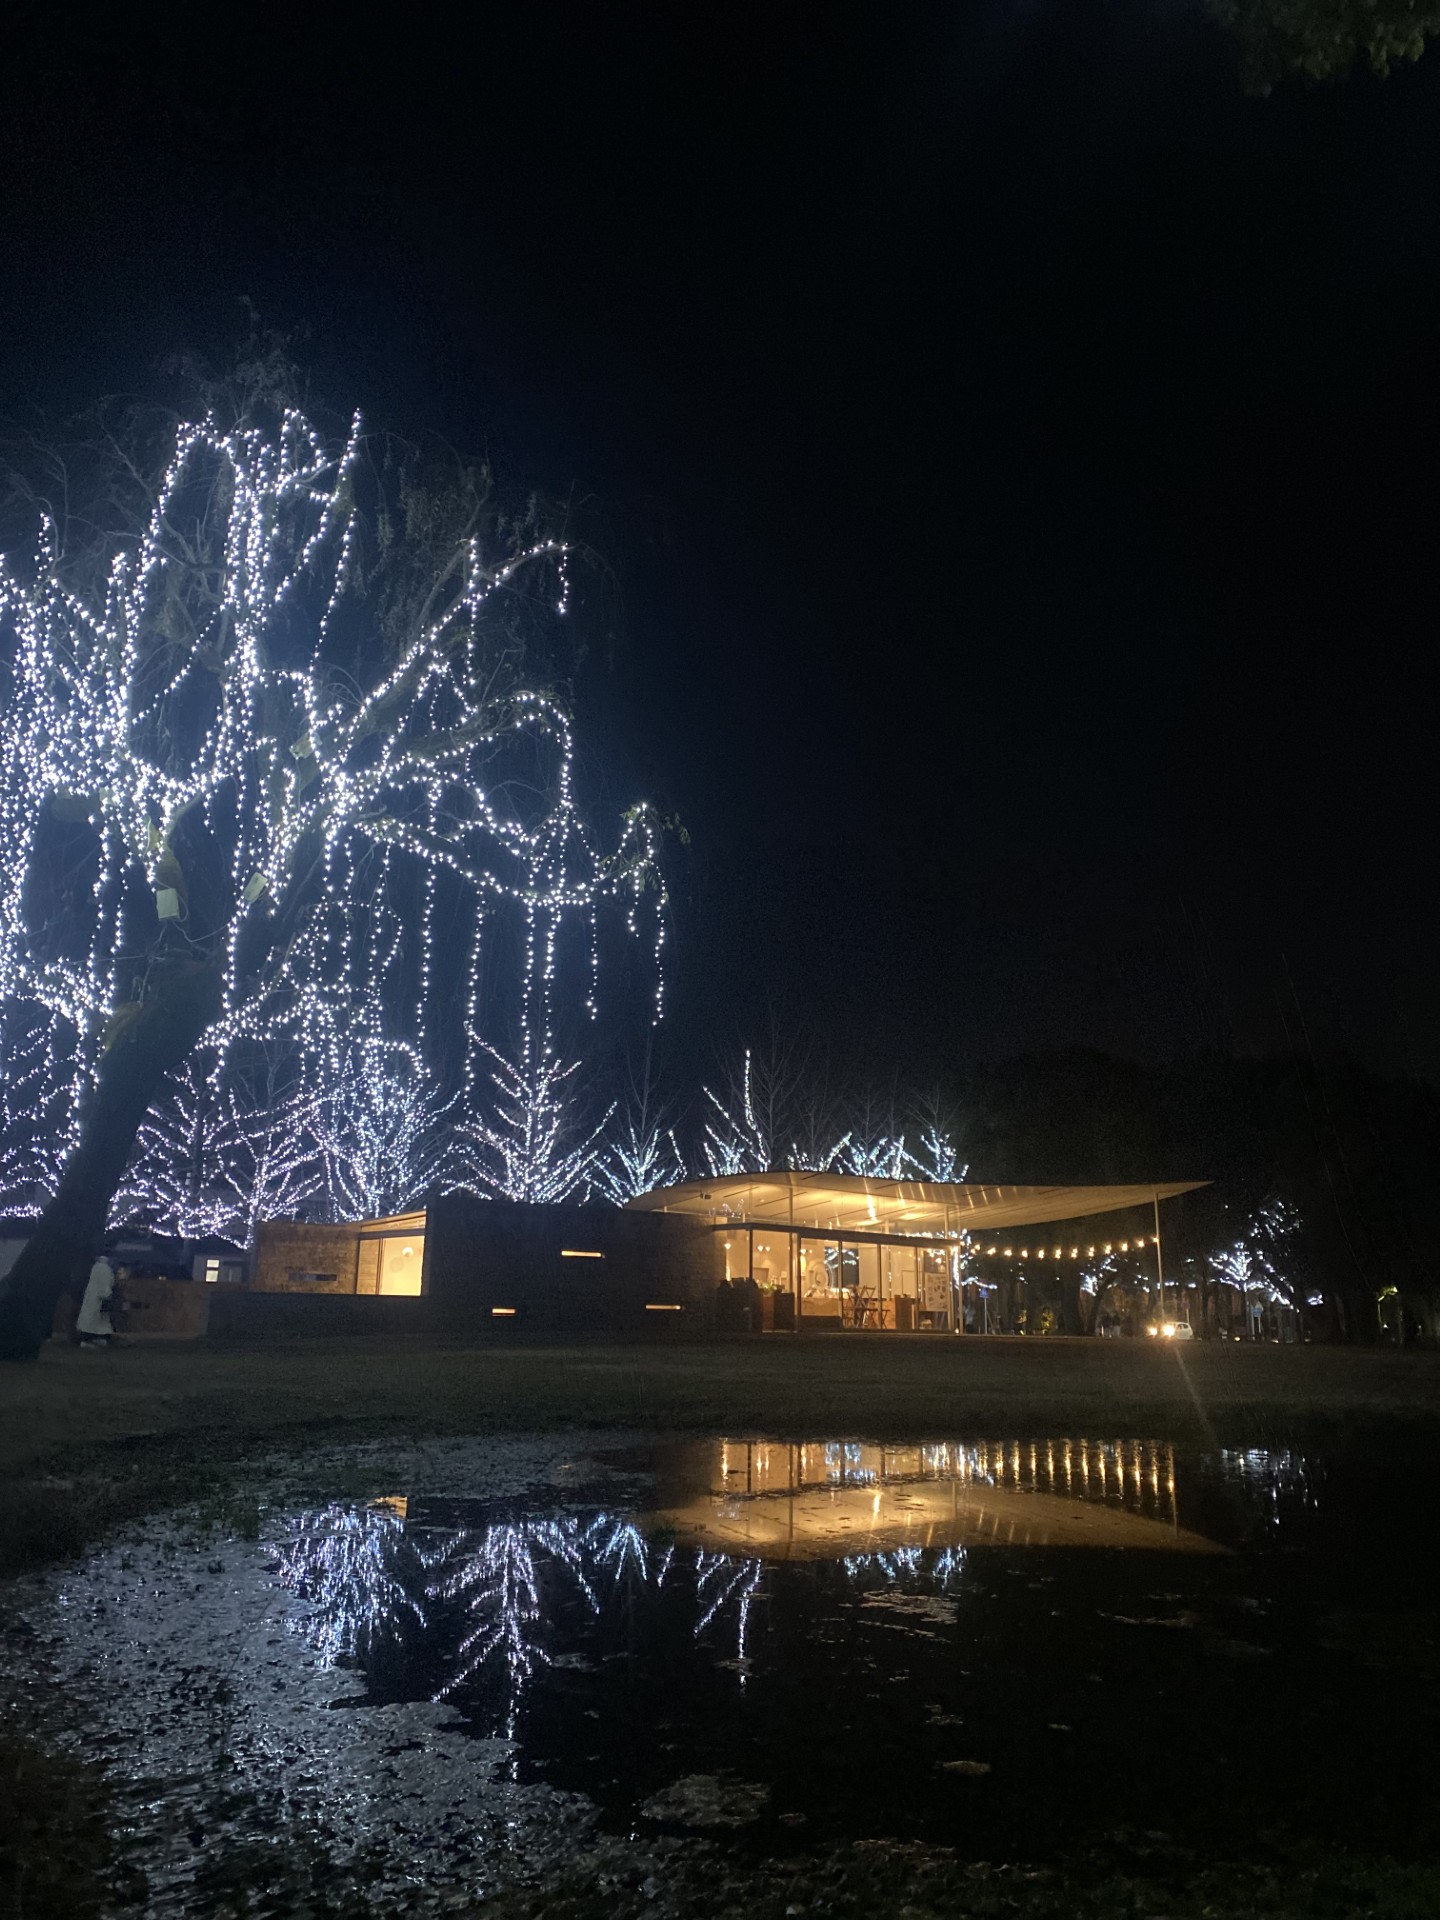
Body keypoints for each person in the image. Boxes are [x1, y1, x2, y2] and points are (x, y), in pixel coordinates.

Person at [76, 1253, 118, 1346]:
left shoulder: (95, 1267)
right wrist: (108, 1296)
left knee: (89, 1318)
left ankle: (86, 1338)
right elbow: (105, 1285)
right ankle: (96, 1338)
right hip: (100, 1298)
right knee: (98, 1320)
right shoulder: (106, 1269)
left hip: (92, 1296)